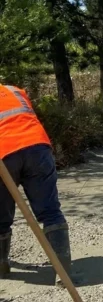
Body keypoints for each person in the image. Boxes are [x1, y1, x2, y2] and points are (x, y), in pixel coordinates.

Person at [0, 84, 71, 284]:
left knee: (0, 217)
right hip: (37, 147)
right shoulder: (14, 90)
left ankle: (2, 266)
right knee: (50, 211)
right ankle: (63, 271)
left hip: (4, 152)